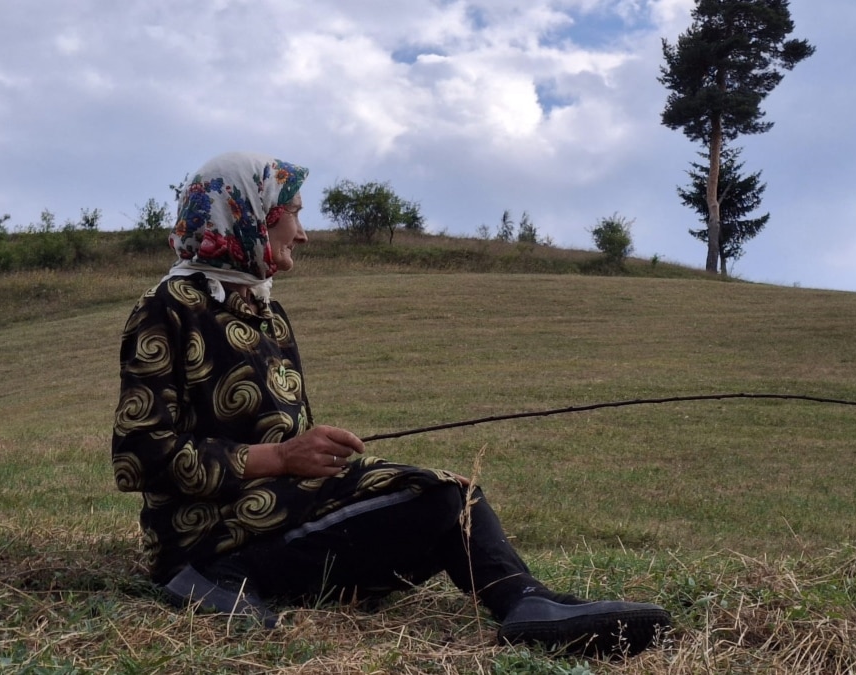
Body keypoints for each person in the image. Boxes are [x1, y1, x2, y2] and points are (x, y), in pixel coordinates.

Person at [111, 151, 670, 657]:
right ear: (246, 214)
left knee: (441, 498)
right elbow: (141, 455)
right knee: (440, 501)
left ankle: (531, 601)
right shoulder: (168, 307)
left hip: (280, 519)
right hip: (213, 540)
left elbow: (285, 440)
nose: (302, 234)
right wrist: (283, 460)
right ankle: (525, 606)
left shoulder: (265, 311)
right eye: (293, 213)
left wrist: (320, 456)